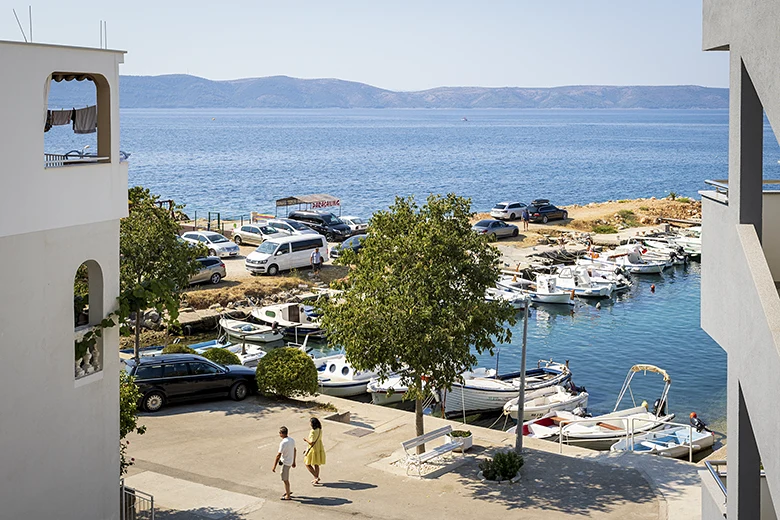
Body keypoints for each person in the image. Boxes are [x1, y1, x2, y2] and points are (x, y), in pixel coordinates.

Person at [272, 426, 296, 501]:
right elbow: (295, 450)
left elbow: (278, 455)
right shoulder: (291, 440)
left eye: (279, 433)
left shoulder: (283, 443)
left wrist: (274, 466)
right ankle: (287, 491)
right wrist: (294, 461)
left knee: (285, 479)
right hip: (290, 461)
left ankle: (288, 495)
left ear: (282, 434)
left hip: (285, 463)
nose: (279, 434)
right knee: (285, 478)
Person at [303, 417, 326, 484]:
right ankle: (316, 479)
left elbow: (311, 442)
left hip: (313, 448)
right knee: (316, 464)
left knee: (307, 463)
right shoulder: (319, 430)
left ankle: (316, 477)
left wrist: (305, 439)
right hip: (319, 447)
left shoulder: (313, 431)